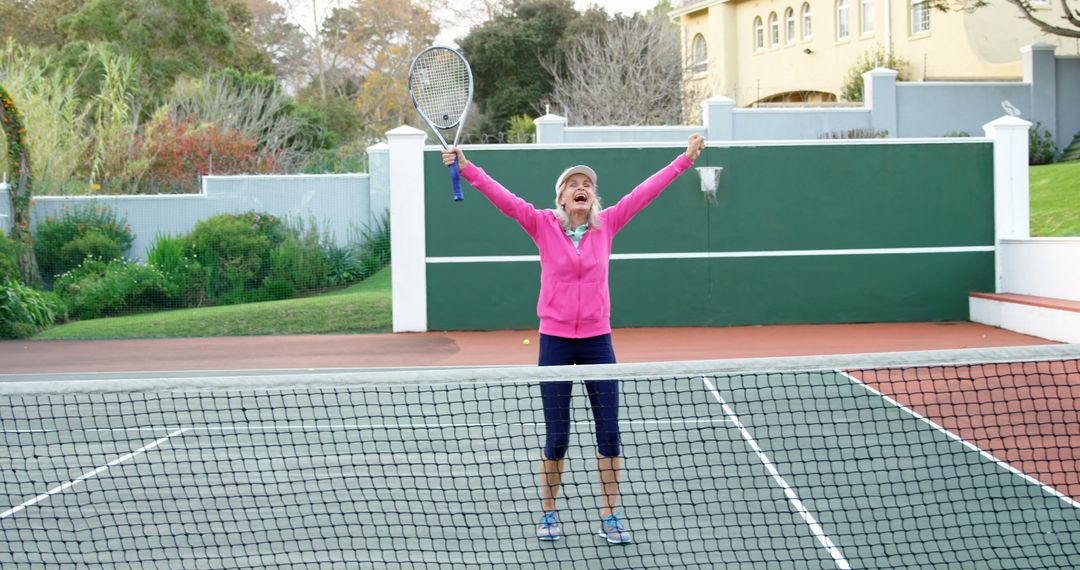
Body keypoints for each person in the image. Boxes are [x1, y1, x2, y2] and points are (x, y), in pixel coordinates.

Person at [441, 134, 705, 545]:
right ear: (561, 198)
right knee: (557, 436)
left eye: (587, 185)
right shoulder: (541, 224)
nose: (581, 188)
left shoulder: (609, 224)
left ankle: (611, 515)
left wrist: (685, 161)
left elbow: (646, 192)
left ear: (593, 198)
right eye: (572, 185)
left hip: (598, 340)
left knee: (609, 434)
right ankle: (548, 514)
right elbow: (503, 198)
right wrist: (467, 167)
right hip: (556, 342)